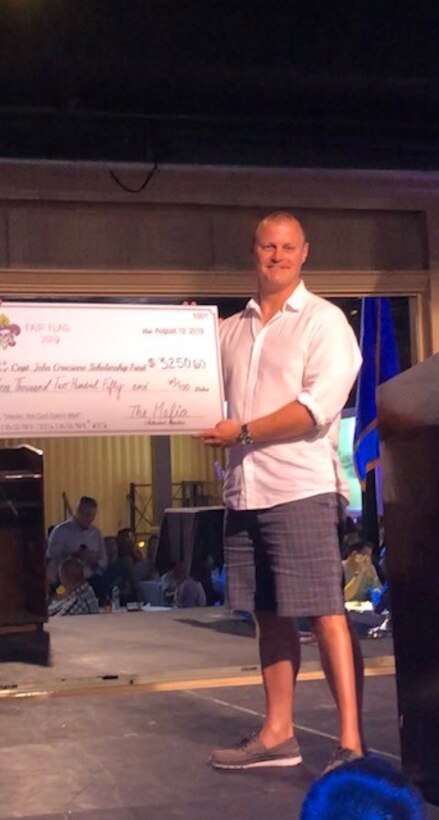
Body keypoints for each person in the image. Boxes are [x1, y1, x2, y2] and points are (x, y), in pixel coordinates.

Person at [196, 212, 363, 773]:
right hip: (245, 491)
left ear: (304, 252)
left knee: (325, 612)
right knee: (268, 614)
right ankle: (278, 734)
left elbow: (317, 408)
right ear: (254, 251)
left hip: (300, 488)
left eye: (287, 247)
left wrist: (240, 430)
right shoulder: (228, 329)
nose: (277, 256)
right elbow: (166, 365)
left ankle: (351, 745)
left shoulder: (324, 322)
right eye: (268, 246)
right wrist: (2, 325)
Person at [46, 496, 107, 585]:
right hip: (66, 584)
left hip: (91, 582)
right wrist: (74, 557)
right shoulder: (61, 531)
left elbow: (104, 562)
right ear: (78, 512)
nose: (91, 519)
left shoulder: (96, 534)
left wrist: (94, 562)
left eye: (94, 515)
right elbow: (51, 559)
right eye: (88, 514)